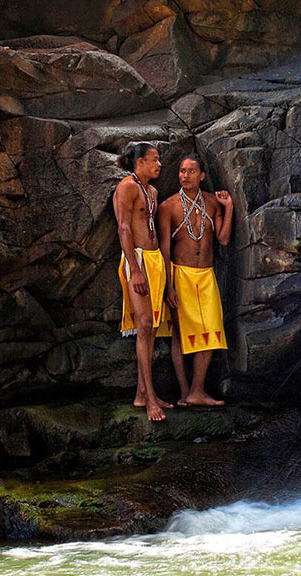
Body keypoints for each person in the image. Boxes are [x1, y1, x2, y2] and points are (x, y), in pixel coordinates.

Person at [157, 153, 233, 407]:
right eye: (181, 171)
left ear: (201, 175)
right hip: (181, 275)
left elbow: (222, 239)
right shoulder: (168, 206)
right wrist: (168, 287)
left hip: (206, 275)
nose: (185, 175)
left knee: (211, 330)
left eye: (191, 171)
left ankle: (197, 391)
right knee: (180, 333)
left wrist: (229, 208)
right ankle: (184, 391)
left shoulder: (212, 203)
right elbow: (165, 251)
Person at [114, 142, 174, 422]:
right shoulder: (127, 186)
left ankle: (142, 393)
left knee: (150, 330)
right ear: (139, 162)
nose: (159, 164)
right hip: (136, 260)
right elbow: (124, 227)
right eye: (154, 159)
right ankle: (150, 399)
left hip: (154, 261)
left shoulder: (152, 191)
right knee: (145, 324)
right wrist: (135, 269)